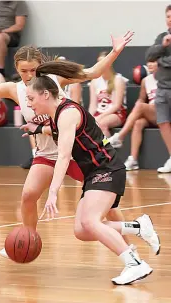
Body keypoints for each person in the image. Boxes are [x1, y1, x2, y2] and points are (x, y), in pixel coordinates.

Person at [0, 31, 136, 253]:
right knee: (28, 195)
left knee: (106, 206)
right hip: (45, 153)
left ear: (40, 66)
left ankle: (129, 245)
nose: (30, 75)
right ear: (16, 69)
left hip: (72, 153)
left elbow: (93, 72)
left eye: (33, 70)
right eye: (24, 71)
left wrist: (115, 51)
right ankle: (27, 239)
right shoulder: (15, 89)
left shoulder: (53, 80)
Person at [24, 61, 160, 285]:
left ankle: (134, 263)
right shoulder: (59, 113)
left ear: (46, 94)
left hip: (106, 169)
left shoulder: (67, 113)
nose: (29, 104)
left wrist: (53, 192)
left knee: (89, 222)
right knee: (82, 230)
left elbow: (64, 156)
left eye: (31, 98)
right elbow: (60, 133)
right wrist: (37, 128)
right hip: (95, 173)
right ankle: (138, 227)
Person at [109, 60, 158, 170]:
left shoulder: (166, 78)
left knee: (140, 106)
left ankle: (120, 136)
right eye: (149, 61)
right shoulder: (145, 81)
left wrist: (140, 106)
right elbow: (141, 98)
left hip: (164, 113)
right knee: (138, 123)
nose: (150, 64)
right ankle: (133, 160)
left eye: (153, 61)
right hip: (152, 114)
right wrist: (138, 103)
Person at [145, 4, 171, 173]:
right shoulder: (162, 37)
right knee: (163, 122)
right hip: (162, 89)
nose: (170, 19)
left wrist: (161, 61)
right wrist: (162, 46)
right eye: (168, 16)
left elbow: (159, 61)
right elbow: (149, 57)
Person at [89, 51, 127, 138]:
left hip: (117, 113)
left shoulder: (118, 80)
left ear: (109, 63)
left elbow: (116, 106)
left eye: (102, 62)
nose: (99, 65)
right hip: (100, 113)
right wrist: (89, 118)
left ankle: (107, 149)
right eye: (98, 63)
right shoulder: (94, 81)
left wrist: (99, 117)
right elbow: (93, 106)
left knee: (101, 124)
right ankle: (100, 148)